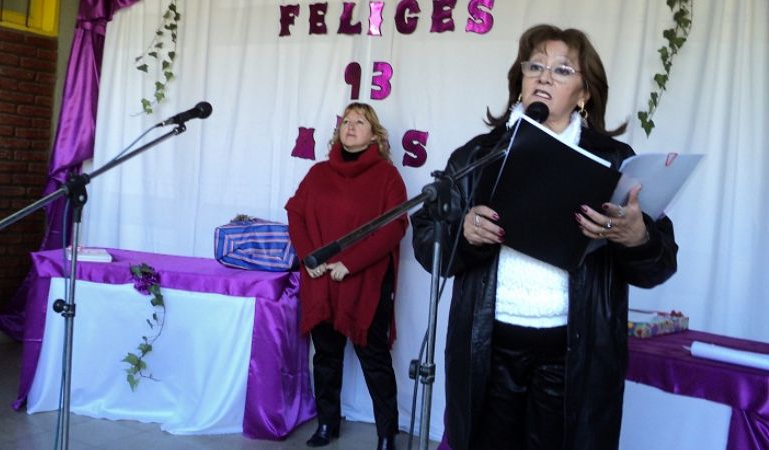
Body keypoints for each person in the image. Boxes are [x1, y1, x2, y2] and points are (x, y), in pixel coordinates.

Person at [411, 24, 679, 450]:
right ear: (519, 82)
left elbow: (661, 264)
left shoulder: (614, 163)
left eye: (562, 70)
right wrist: (463, 232)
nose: (544, 77)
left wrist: (636, 236)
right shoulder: (478, 156)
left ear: (584, 94)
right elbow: (428, 241)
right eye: (534, 66)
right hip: (488, 352)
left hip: (575, 358)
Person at [286, 102, 408, 450]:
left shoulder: (387, 177)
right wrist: (308, 257)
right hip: (321, 280)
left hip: (364, 283)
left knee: (375, 360)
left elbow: (394, 227)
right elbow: (296, 215)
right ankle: (327, 424)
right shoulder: (318, 174)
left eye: (360, 122)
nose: (350, 127)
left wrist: (350, 264)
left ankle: (387, 433)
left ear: (375, 135)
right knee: (325, 358)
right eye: (346, 122)